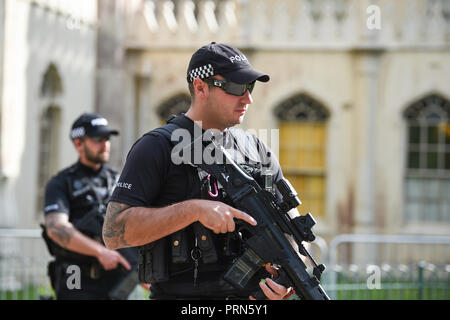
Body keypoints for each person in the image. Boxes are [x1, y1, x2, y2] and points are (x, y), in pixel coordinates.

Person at [103, 42, 294, 300]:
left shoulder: (257, 150)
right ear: (201, 87)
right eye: (236, 87)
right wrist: (192, 210)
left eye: (250, 87)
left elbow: (288, 226)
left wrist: (285, 277)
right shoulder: (157, 147)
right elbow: (113, 232)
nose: (247, 98)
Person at [42, 113, 141, 300]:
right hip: (76, 274)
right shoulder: (62, 183)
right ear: (78, 143)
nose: (105, 144)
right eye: (97, 139)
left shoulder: (118, 180)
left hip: (116, 278)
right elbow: (56, 228)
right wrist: (101, 252)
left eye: (107, 138)